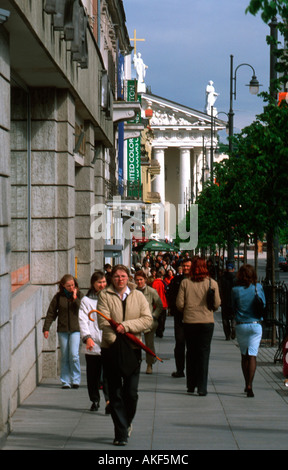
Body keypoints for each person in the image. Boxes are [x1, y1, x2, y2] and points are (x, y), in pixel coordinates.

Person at [97, 264, 152, 446]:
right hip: (111, 348)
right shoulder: (105, 295)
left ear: (128, 278)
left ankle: (126, 421)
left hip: (132, 349)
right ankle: (120, 432)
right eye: (116, 276)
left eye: (123, 276)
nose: (119, 279)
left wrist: (126, 327)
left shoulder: (138, 296)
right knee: (115, 392)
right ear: (111, 278)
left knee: (131, 393)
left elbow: (147, 319)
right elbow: (103, 321)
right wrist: (115, 339)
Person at [176, 257, 221, 396]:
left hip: (190, 322)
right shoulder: (212, 283)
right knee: (203, 354)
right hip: (206, 322)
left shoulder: (185, 283)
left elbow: (179, 304)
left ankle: (191, 384)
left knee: (191, 353)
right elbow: (217, 303)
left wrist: (188, 311)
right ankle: (202, 387)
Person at [43, 274, 84, 389]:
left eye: (73, 285)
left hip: (75, 329)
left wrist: (75, 298)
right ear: (63, 286)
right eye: (68, 286)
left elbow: (82, 309)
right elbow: (51, 313)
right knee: (65, 355)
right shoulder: (58, 297)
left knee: (74, 355)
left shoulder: (79, 295)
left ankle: (76, 379)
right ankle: (65, 381)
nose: (71, 287)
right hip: (63, 330)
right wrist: (46, 328)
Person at [231, 264, 266, 398]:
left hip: (241, 324)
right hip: (255, 324)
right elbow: (263, 304)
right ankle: (250, 383)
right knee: (252, 355)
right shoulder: (258, 288)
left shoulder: (235, 290)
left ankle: (246, 383)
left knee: (244, 355)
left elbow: (233, 306)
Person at [78, 271, 110, 413]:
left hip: (108, 341)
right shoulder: (86, 301)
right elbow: (83, 321)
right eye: (99, 282)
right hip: (92, 342)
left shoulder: (110, 297)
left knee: (109, 374)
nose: (102, 285)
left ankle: (109, 400)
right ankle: (95, 400)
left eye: (104, 282)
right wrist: (87, 338)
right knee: (93, 375)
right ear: (93, 284)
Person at [166, 258, 192, 378]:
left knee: (191, 345)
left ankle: (192, 370)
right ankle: (180, 369)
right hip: (180, 317)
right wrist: (172, 308)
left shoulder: (196, 280)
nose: (186, 268)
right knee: (180, 343)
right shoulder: (177, 280)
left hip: (193, 317)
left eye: (188, 266)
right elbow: (170, 294)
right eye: (184, 266)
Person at [134, 270, 163, 374]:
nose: (139, 282)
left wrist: (154, 316)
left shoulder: (151, 291)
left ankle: (149, 364)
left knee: (149, 344)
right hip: (135, 321)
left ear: (145, 280)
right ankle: (135, 363)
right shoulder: (133, 291)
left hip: (148, 322)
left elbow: (159, 305)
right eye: (137, 280)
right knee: (135, 343)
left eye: (141, 280)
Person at [219, 261, 236, 340]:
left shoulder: (222, 278)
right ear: (233, 269)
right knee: (234, 317)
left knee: (225, 319)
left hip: (225, 301)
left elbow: (220, 290)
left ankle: (227, 335)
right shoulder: (236, 278)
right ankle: (234, 328)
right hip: (234, 302)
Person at [152, 268, 168, 338]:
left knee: (156, 318)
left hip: (155, 303)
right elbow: (166, 292)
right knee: (163, 318)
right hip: (163, 303)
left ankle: (157, 331)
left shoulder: (154, 283)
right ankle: (161, 330)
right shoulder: (163, 283)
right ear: (161, 277)